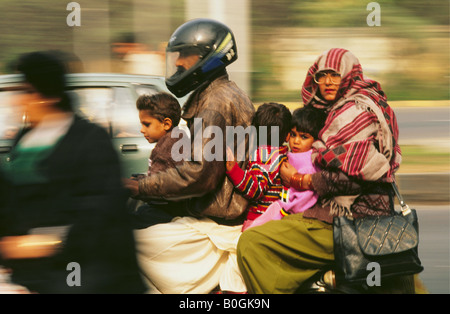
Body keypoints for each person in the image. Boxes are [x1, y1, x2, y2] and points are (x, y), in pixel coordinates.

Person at [237, 48, 415, 294]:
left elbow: (351, 180)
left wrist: (301, 180)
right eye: (322, 76)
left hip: (350, 219)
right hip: (347, 213)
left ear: (349, 75)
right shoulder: (340, 109)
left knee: (252, 242)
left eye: (335, 75)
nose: (328, 82)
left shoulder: (354, 112)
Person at [124, 19, 255, 294]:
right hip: (211, 208)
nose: (180, 61)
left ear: (207, 57)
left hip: (217, 219)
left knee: (124, 242)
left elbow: (200, 174)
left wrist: (142, 186)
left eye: (185, 54)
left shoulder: (215, 103)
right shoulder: (221, 93)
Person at [0, 51, 146, 294]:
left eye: (26, 92)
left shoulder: (90, 140)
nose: (18, 101)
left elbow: (99, 214)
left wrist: (44, 243)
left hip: (87, 271)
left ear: (47, 96)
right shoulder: (23, 142)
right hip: (33, 273)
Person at [247, 106, 326, 229]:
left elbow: (304, 200)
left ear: (315, 140)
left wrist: (284, 212)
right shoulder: (289, 155)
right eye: (293, 135)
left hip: (291, 214)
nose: (296, 141)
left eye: (304, 137)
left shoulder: (308, 165)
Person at [124, 92, 188, 229]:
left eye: (147, 124)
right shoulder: (178, 138)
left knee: (126, 222)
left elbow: (157, 187)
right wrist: (138, 179)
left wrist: (134, 186)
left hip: (166, 211)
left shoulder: (165, 149)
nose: (142, 130)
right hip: (169, 207)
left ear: (166, 124)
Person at [225, 102, 291, 231]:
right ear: (287, 136)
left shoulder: (265, 155)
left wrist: (233, 170)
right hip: (273, 218)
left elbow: (256, 189)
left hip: (260, 220)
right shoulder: (282, 153)